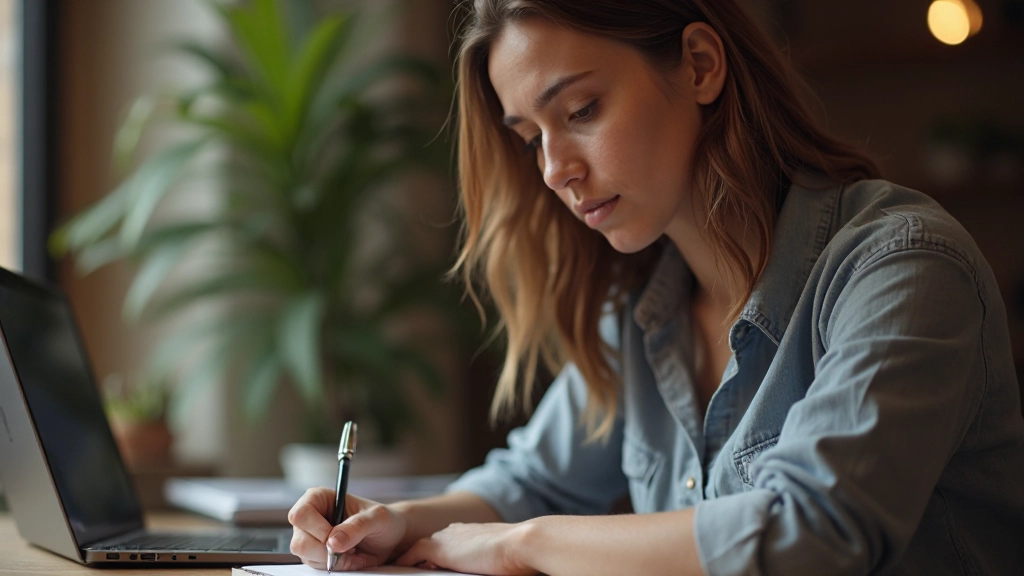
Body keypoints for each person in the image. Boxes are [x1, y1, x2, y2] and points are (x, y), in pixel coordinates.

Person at [288, 0, 1024, 574]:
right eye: (530, 137)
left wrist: (521, 546)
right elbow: (530, 482)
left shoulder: (905, 267)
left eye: (580, 111)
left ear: (701, 64)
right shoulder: (641, 314)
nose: (553, 170)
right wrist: (393, 524)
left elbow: (814, 536)